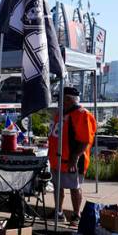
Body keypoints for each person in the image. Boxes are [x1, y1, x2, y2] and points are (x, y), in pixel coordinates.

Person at [48, 86, 98, 225]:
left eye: (61, 99)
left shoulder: (82, 114)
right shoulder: (60, 114)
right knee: (58, 186)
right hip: (56, 158)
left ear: (69, 99)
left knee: (74, 187)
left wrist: (74, 158)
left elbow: (85, 140)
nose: (59, 102)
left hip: (71, 160)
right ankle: (58, 212)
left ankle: (76, 215)